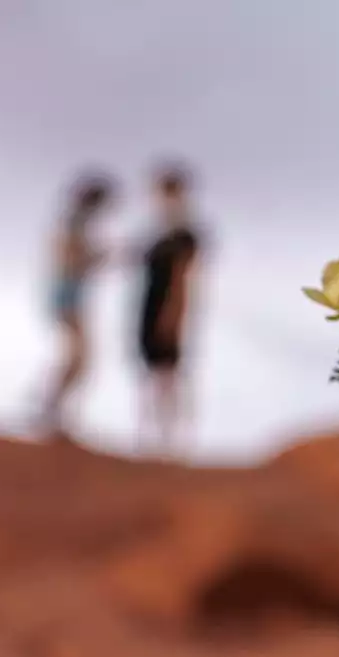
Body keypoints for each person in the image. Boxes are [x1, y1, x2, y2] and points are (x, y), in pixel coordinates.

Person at [42, 172, 115, 439]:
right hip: (68, 297)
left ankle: (55, 409)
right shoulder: (74, 224)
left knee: (78, 357)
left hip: (70, 296)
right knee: (79, 357)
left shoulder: (76, 224)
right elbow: (71, 262)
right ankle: (52, 408)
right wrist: (99, 258)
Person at [137, 162, 203, 455]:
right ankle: (154, 439)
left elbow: (183, 278)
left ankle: (173, 443)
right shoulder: (160, 233)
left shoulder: (184, 234)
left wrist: (174, 314)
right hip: (150, 305)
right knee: (154, 374)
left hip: (166, 307)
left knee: (170, 375)